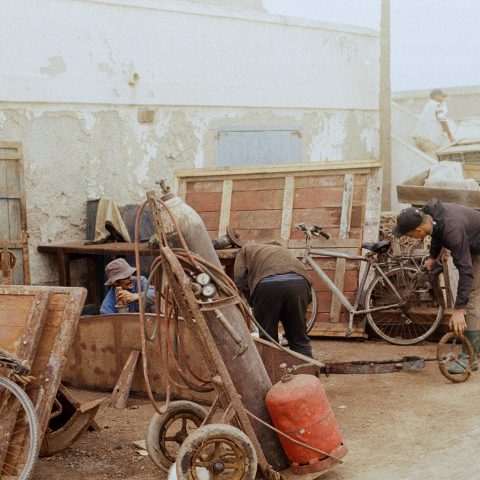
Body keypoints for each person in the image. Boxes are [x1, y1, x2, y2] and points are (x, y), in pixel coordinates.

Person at [393, 199, 480, 373]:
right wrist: (433, 257)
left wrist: (458, 310)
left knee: (472, 296)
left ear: (418, 230)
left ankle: (469, 358)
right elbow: (436, 233)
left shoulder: (452, 230)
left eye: (409, 235)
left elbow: (466, 271)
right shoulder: (431, 215)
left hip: (477, 247)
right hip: (472, 241)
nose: (410, 238)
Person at [233, 243, 313, 358]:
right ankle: (307, 372)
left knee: (268, 340)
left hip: (267, 285)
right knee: (299, 339)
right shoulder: (281, 249)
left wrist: (252, 302)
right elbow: (308, 291)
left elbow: (239, 279)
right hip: (299, 282)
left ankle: (273, 373)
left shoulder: (244, 250)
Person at [412, 88, 455, 154]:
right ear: (436, 96)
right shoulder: (437, 105)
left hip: (419, 138)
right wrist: (450, 136)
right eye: (442, 96)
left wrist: (442, 129)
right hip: (429, 139)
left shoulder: (428, 105)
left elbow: (432, 120)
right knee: (434, 159)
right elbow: (443, 120)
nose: (443, 99)